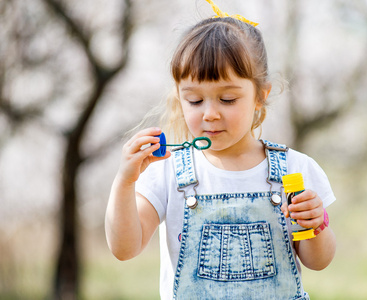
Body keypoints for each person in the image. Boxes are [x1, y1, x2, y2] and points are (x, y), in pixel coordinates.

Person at [105, 1, 336, 299]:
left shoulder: (294, 169)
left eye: (227, 99)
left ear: (260, 97)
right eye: (195, 101)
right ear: (179, 97)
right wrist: (125, 182)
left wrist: (316, 224)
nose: (210, 114)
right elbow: (125, 249)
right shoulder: (167, 170)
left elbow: (318, 262)